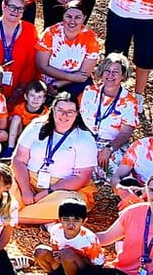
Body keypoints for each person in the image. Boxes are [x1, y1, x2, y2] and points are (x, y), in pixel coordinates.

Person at [11, 91, 99, 224]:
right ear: (52, 110)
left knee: (70, 205)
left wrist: (48, 192)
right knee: (4, 185)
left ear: (77, 113)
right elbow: (18, 160)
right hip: (28, 179)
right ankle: (38, 217)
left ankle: (11, 217)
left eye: (70, 112)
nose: (64, 115)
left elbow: (81, 178)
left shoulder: (84, 138)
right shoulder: (37, 126)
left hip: (62, 188)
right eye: (60, 110)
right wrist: (25, 190)